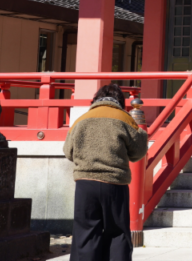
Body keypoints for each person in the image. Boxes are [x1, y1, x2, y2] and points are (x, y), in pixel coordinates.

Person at [63, 84, 148, 261]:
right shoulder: (125, 118)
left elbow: (68, 151)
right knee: (117, 234)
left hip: (85, 184)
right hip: (114, 184)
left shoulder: (81, 119)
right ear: (120, 102)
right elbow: (139, 151)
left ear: (95, 100)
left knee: (85, 235)